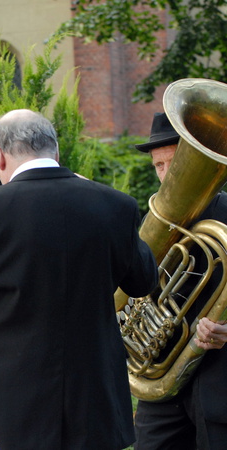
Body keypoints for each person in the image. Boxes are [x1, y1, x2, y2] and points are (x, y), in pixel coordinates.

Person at [0, 109, 159, 449]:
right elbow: (144, 281)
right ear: (56, 153)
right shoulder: (115, 206)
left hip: (7, 410)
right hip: (93, 408)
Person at [133, 112, 227, 449]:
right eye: (158, 166)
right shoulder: (150, 223)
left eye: (173, 162)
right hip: (161, 384)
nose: (165, 175)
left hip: (220, 379)